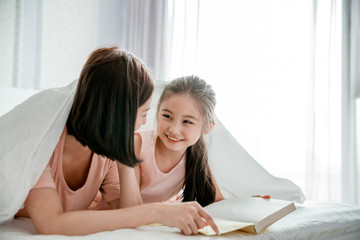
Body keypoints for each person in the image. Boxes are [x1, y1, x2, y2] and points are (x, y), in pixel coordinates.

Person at [14, 47, 218, 236]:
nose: (144, 123)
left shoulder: (107, 153)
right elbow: (51, 225)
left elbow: (128, 213)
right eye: (143, 114)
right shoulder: (41, 143)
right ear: (118, 114)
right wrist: (158, 211)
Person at [134, 75, 224, 206]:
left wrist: (250, 203)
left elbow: (219, 204)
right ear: (158, 110)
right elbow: (130, 207)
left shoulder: (195, 156)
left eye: (187, 121)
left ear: (207, 127)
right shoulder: (137, 145)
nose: (174, 130)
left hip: (152, 221)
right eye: (167, 116)